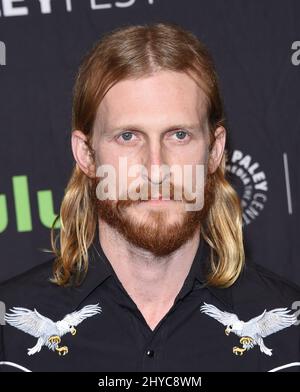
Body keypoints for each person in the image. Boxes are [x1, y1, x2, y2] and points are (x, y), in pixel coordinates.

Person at [0, 22, 299, 373]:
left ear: (215, 150)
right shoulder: (9, 338)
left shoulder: (291, 338)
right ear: (86, 153)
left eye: (179, 135)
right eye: (128, 136)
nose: (156, 168)